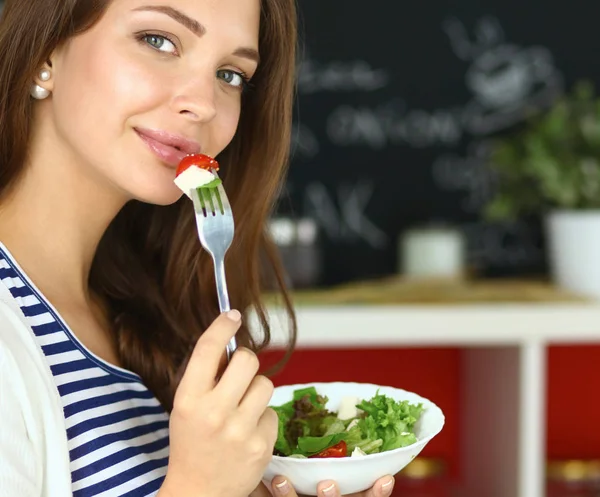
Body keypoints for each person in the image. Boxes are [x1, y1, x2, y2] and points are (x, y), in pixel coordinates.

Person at [0, 1, 397, 497]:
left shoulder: (138, 305)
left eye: (230, 74)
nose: (204, 103)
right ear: (47, 50)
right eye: (158, 41)